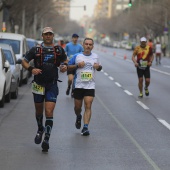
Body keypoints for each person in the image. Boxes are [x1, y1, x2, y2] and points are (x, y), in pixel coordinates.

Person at [22, 27, 68, 152]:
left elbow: (65, 61)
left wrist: (64, 66)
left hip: (52, 85)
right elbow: (24, 62)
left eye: (50, 34)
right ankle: (40, 128)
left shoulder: (58, 49)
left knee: (49, 111)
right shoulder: (36, 49)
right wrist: (31, 69)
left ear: (53, 36)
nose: (48, 36)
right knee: (38, 110)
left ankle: (46, 138)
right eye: (46, 34)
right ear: (42, 36)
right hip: (38, 83)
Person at [67, 38, 102, 136]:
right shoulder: (77, 56)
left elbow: (100, 67)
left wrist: (98, 67)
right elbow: (68, 66)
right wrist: (78, 65)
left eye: (90, 44)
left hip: (90, 86)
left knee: (88, 105)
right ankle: (78, 116)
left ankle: (85, 127)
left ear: (92, 46)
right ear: (83, 45)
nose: (88, 46)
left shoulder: (96, 56)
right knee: (77, 108)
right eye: (86, 44)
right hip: (78, 85)